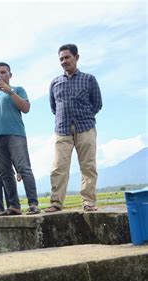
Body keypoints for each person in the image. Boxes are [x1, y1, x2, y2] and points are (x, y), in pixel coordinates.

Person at [46, 44, 103, 213]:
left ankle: (88, 201)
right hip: (62, 129)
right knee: (58, 166)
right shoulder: (55, 82)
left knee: (88, 165)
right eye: (61, 59)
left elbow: (97, 104)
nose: (64, 61)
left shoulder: (89, 79)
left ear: (76, 57)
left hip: (85, 127)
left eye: (67, 57)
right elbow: (53, 107)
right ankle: (56, 202)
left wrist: (85, 116)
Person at [0, 62, 40, 216]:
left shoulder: (18, 89)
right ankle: (14, 206)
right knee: (5, 173)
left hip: (15, 134)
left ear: (10, 75)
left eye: (3, 72)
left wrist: (10, 91)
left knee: (24, 168)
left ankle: (33, 203)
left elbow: (26, 108)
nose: (0, 76)